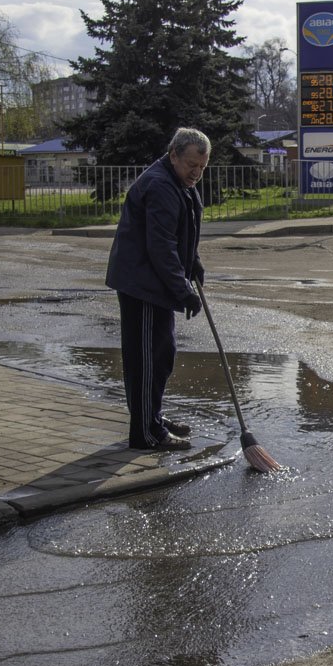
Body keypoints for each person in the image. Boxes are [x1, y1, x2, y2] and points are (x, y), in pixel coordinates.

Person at [105, 127, 210, 450]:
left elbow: (181, 230)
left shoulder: (179, 181)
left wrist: (192, 259)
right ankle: (146, 433)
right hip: (144, 285)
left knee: (161, 355)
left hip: (153, 282)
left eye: (202, 167)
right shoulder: (160, 185)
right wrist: (183, 289)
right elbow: (161, 245)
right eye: (192, 164)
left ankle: (151, 416)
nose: (196, 173)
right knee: (147, 359)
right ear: (173, 154)